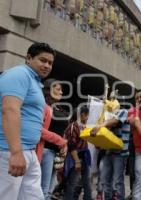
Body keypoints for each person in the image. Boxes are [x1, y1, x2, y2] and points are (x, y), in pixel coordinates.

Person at [0, 42, 55, 199]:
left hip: (29, 151)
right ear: (29, 58)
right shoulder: (19, 74)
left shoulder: (35, 81)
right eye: (42, 60)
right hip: (9, 151)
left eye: (50, 63)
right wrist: (16, 152)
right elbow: (10, 110)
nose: (47, 65)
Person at [36, 78, 68, 200]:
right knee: (42, 191)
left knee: (49, 190)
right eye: (58, 89)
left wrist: (65, 145)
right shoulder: (43, 106)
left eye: (61, 90)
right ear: (49, 90)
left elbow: (63, 131)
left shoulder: (58, 108)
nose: (61, 92)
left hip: (56, 153)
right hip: (45, 151)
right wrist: (60, 141)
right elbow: (38, 129)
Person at [91, 105, 130, 200]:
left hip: (120, 154)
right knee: (105, 180)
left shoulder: (123, 111)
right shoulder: (106, 117)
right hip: (108, 152)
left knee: (117, 182)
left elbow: (116, 121)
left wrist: (101, 125)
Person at [63, 106, 92, 200]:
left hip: (84, 157)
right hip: (75, 157)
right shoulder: (73, 126)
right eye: (87, 116)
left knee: (87, 182)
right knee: (73, 184)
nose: (88, 118)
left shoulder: (84, 126)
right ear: (83, 115)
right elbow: (71, 145)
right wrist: (77, 161)